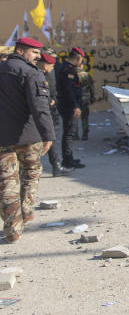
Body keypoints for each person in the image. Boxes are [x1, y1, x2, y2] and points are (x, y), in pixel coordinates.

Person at [0, 37, 55, 243]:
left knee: (7, 183)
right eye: (34, 53)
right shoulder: (32, 73)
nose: (37, 58)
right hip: (29, 137)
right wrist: (48, 135)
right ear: (21, 51)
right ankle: (26, 208)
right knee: (31, 173)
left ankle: (13, 229)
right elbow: (40, 108)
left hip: (3, 138)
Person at [37, 52, 70, 176]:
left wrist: (52, 98)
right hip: (42, 111)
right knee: (49, 138)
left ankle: (56, 165)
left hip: (46, 108)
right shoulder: (37, 74)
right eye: (51, 66)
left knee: (50, 139)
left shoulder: (43, 73)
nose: (52, 70)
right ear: (45, 64)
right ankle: (55, 165)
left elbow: (51, 90)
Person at [56, 47, 85, 169]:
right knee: (68, 133)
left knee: (69, 133)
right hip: (68, 106)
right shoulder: (68, 70)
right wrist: (75, 107)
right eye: (81, 60)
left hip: (66, 104)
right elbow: (69, 91)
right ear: (78, 58)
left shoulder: (65, 68)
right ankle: (67, 160)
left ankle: (69, 158)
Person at [76, 68, 94, 140]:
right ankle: (85, 134)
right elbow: (91, 88)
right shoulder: (87, 75)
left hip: (76, 99)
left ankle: (75, 134)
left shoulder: (74, 74)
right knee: (85, 118)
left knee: (75, 117)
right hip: (85, 99)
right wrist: (92, 97)